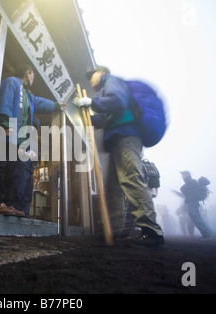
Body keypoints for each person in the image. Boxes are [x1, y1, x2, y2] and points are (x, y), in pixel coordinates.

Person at [75, 66, 164, 247]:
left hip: (126, 136)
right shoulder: (105, 91)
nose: (91, 81)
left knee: (131, 178)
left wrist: (91, 102)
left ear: (100, 73)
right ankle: (113, 232)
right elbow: (105, 119)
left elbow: (117, 102)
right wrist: (87, 114)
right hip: (116, 139)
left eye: (92, 76)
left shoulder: (112, 82)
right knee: (113, 187)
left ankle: (151, 230)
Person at [0, 64, 67, 217]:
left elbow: (41, 102)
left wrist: (57, 105)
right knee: (0, 167)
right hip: (6, 131)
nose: (33, 78)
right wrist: (4, 122)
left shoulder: (28, 95)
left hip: (17, 140)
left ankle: (8, 204)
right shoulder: (12, 82)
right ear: (27, 72)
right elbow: (5, 101)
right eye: (33, 75)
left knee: (10, 172)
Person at [179, 171, 212, 239]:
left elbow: (183, 189)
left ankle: (207, 234)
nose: (182, 176)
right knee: (197, 218)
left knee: (196, 218)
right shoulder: (192, 182)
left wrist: (185, 192)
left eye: (183, 175)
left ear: (187, 175)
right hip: (193, 202)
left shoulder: (190, 181)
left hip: (192, 202)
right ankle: (206, 234)